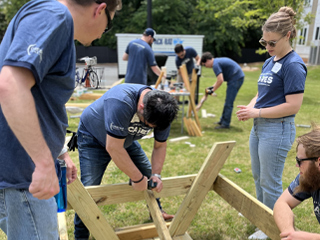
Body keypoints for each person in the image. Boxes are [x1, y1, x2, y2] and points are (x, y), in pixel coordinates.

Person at [0, 0, 121, 239]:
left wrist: (60, 153)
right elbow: (11, 85)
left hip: (20, 169)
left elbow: (42, 101)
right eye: (107, 26)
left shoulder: (49, 17)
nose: (100, 35)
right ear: (99, 9)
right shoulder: (55, 16)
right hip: (22, 171)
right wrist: (44, 164)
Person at [235, 6, 307, 240]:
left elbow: (293, 106)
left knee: (270, 182)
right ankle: (262, 219)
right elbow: (262, 93)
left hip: (277, 129)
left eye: (272, 43)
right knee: (258, 178)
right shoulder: (270, 61)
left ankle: (274, 230)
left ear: (287, 35)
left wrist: (257, 113)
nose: (267, 47)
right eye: (264, 42)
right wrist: (251, 107)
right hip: (261, 127)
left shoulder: (293, 65)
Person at [74, 83, 179, 240]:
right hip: (93, 137)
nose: (147, 127)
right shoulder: (121, 101)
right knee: (89, 189)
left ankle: (157, 212)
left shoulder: (162, 111)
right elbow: (114, 148)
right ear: (141, 106)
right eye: (146, 123)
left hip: (123, 139)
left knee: (148, 173)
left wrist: (156, 174)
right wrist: (137, 178)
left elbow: (160, 146)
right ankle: (81, 236)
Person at [274, 126, 320, 240]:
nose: (297, 165)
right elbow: (282, 203)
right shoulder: (310, 176)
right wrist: (289, 233)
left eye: (300, 161)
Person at [199, 52, 244, 129]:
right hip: (235, 78)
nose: (205, 67)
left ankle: (226, 124)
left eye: (204, 64)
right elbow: (218, 81)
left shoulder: (215, 64)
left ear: (207, 60)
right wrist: (211, 88)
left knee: (229, 102)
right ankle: (222, 120)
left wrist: (212, 90)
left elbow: (220, 80)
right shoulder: (217, 62)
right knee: (227, 101)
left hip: (236, 78)